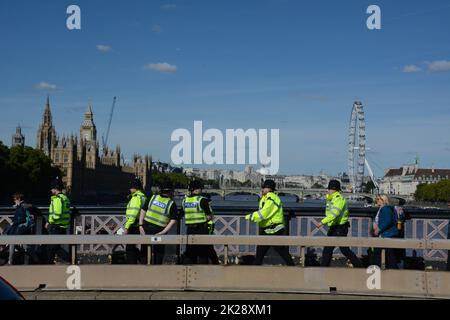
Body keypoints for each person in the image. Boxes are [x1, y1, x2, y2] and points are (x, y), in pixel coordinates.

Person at [246, 179, 294, 266]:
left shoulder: (271, 198)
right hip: (271, 229)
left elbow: (264, 213)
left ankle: (254, 270)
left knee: (261, 251)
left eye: (263, 188)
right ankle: (293, 268)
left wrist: (251, 216)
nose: (262, 189)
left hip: (273, 229)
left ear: (268, 188)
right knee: (281, 250)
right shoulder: (267, 198)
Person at [318, 180, 362, 267]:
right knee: (335, 249)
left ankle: (323, 268)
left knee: (337, 249)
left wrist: (322, 222)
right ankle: (359, 265)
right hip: (336, 227)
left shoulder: (338, 199)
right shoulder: (332, 198)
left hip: (340, 227)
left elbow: (334, 214)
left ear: (333, 190)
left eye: (329, 189)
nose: (328, 190)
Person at [139, 181, 178, 264]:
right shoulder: (171, 204)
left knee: (144, 250)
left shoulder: (152, 197)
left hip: (146, 227)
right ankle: (157, 271)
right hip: (159, 230)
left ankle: (143, 270)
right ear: (171, 191)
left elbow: (143, 210)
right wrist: (164, 232)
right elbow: (173, 220)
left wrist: (140, 225)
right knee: (159, 253)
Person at [182, 180, 216, 264]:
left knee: (190, 252)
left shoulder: (184, 201)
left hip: (189, 230)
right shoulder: (202, 200)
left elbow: (184, 213)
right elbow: (209, 216)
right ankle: (202, 271)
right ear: (197, 189)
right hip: (201, 229)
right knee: (203, 253)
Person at [46, 178, 71, 264]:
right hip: (63, 226)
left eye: (52, 188)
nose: (50, 190)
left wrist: (49, 222)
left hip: (55, 226)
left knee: (53, 247)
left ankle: (69, 260)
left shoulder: (57, 199)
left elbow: (57, 214)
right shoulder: (65, 198)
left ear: (55, 189)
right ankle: (50, 263)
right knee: (53, 247)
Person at [5, 193, 36, 264]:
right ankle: (32, 259)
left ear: (19, 199)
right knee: (25, 246)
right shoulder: (24, 205)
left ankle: (10, 261)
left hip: (20, 229)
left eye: (15, 199)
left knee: (13, 243)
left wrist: (13, 223)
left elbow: (21, 219)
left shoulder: (21, 206)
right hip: (25, 229)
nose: (14, 201)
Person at [124, 177, 147, 264]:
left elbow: (134, 213)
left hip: (134, 225)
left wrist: (127, 227)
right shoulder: (143, 196)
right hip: (141, 225)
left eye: (131, 187)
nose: (129, 189)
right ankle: (143, 262)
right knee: (137, 247)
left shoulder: (136, 197)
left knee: (129, 248)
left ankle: (132, 267)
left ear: (135, 187)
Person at [372, 195, 399, 269]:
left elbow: (387, 221)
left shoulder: (385, 209)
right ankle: (390, 270)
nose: (376, 201)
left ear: (383, 201)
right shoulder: (383, 208)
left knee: (384, 255)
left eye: (378, 199)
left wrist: (378, 229)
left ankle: (379, 269)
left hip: (386, 234)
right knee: (388, 255)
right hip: (386, 234)